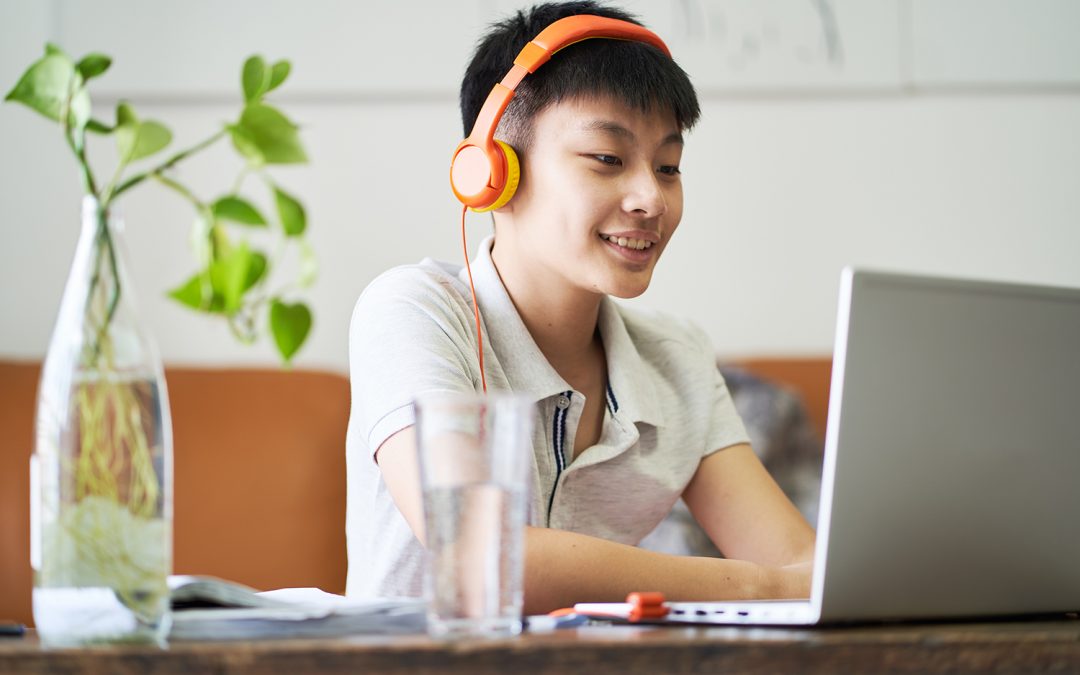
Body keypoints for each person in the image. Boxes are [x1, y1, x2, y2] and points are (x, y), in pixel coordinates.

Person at [345, 1, 815, 614]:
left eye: (669, 166)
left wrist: (778, 580)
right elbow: (478, 553)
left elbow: (801, 565)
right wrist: (755, 586)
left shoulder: (676, 357)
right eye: (607, 159)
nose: (651, 197)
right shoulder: (414, 311)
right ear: (492, 172)